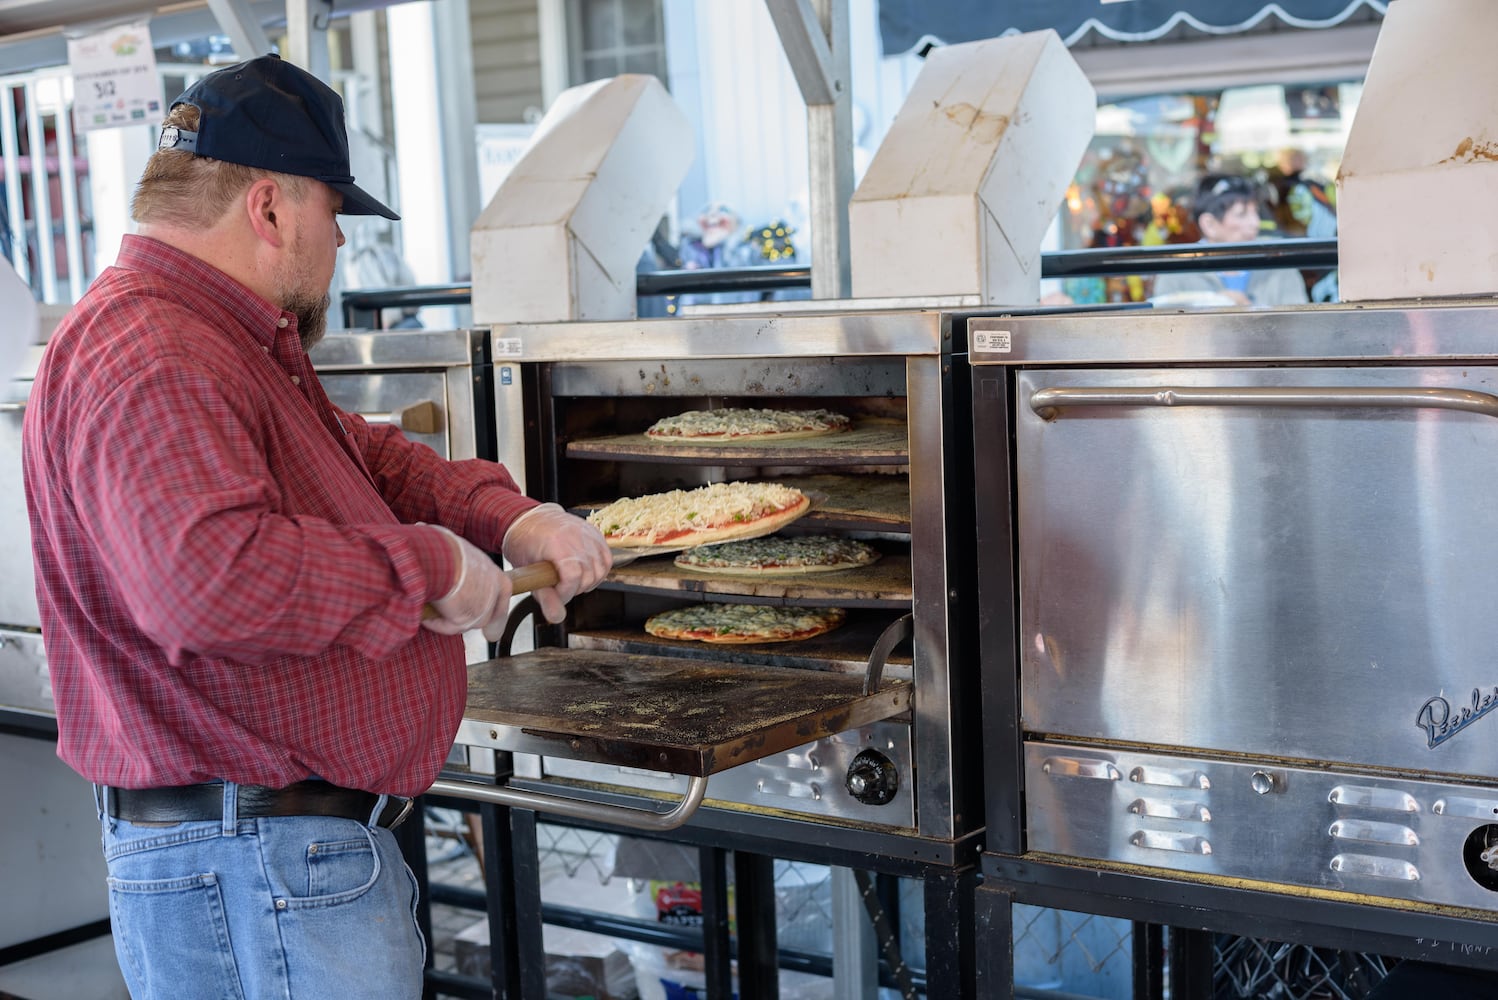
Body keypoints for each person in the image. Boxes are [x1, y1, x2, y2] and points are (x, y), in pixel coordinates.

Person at [21, 54, 612, 1000]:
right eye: (334, 214)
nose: (339, 242)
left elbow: (365, 457)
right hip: (257, 869)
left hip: (270, 861)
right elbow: (209, 582)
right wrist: (429, 570)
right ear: (268, 208)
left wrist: (513, 517)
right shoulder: (158, 352)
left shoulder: (213, 341)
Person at [1151, 172, 1311, 307]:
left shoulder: (1280, 265)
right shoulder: (1175, 273)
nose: (1255, 223)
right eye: (1241, 214)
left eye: (1255, 212)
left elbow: (1297, 330)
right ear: (1210, 224)